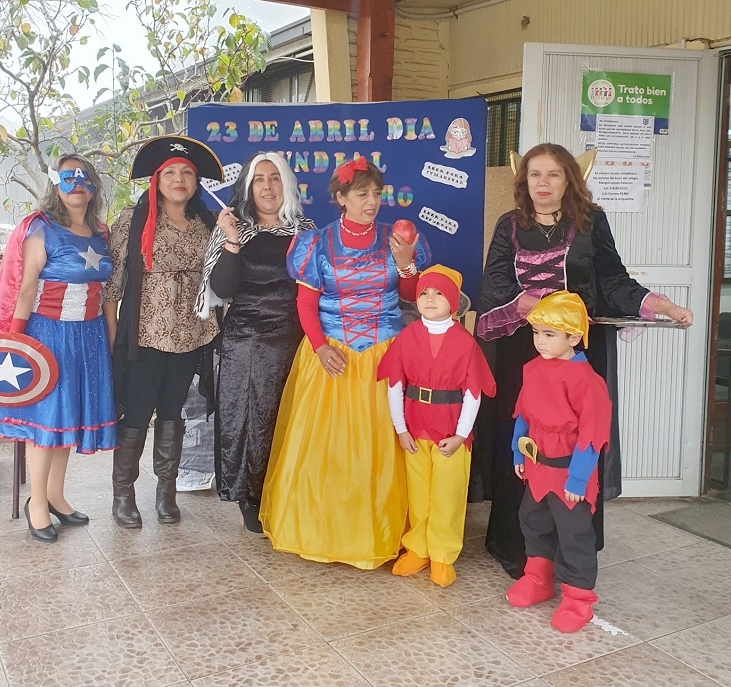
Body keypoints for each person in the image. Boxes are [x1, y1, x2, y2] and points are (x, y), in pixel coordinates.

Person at [476, 143, 694, 578]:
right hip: (524, 350)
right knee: (525, 439)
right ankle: (520, 549)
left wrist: (663, 305)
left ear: (569, 180)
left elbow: (613, 281)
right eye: (534, 175)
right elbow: (493, 284)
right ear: (524, 182)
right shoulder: (509, 225)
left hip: (578, 351)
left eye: (553, 174)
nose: (542, 183)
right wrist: (523, 303)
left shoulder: (592, 224)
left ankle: (571, 552)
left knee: (575, 437)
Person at [259, 157, 432, 570]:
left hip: (386, 355)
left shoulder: (398, 238)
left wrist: (407, 260)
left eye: (376, 193)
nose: (372, 201)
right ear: (340, 199)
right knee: (329, 450)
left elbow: (411, 294)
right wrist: (320, 347)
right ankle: (324, 530)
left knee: (384, 448)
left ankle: (385, 531)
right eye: (361, 194)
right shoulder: (316, 244)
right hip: (332, 355)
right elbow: (305, 303)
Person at [0, 154, 116, 542]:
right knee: (47, 424)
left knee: (67, 421)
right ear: (56, 184)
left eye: (83, 177)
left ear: (93, 186)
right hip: (48, 336)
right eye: (68, 177)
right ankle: (36, 504)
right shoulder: (41, 229)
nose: (76, 184)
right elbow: (24, 289)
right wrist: (16, 340)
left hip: (88, 335)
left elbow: (106, 289)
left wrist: (110, 335)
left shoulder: (100, 233)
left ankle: (56, 496)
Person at [104, 135, 223, 529]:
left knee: (172, 412)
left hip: (191, 332)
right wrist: (113, 332)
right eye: (170, 172)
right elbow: (113, 285)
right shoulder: (132, 220)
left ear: (196, 182)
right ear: (156, 180)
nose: (179, 179)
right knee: (137, 412)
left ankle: (166, 493)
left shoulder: (206, 222)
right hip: (145, 334)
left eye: (186, 173)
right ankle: (124, 496)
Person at [195, 152, 315, 534]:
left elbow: (321, 286)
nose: (267, 186)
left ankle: (289, 493)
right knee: (250, 421)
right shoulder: (235, 229)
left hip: (297, 338)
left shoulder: (306, 229)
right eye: (259, 179)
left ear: (287, 185)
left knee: (292, 418)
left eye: (274, 178)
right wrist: (231, 242)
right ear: (249, 188)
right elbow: (223, 289)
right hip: (247, 339)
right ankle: (252, 497)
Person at [377, 265, 495, 587]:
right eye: (424, 293)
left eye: (439, 293)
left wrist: (461, 434)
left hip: (450, 433)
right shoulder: (406, 337)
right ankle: (419, 549)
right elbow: (393, 385)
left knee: (447, 494)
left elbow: (473, 393)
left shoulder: (465, 342)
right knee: (419, 493)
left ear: (453, 302)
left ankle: (442, 555)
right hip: (415, 428)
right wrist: (401, 429)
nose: (429, 299)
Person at [507, 291, 611, 633]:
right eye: (536, 333)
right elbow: (523, 415)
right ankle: (538, 577)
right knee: (533, 520)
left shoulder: (587, 381)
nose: (539, 341)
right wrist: (518, 451)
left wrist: (578, 480)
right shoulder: (533, 369)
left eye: (549, 334)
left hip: (569, 471)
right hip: (538, 468)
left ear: (574, 337)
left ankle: (578, 597)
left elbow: (591, 435)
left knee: (574, 533)